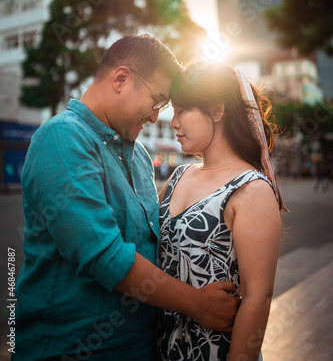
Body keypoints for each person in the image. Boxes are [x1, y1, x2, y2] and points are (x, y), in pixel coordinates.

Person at [13, 35, 239, 361]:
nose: (153, 118)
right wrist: (197, 303)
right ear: (121, 79)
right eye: (156, 102)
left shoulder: (140, 156)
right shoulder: (62, 138)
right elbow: (104, 256)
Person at [158, 61, 288, 361]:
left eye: (182, 110)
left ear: (217, 110)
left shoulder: (251, 189)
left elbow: (258, 298)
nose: (173, 122)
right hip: (163, 348)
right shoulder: (179, 176)